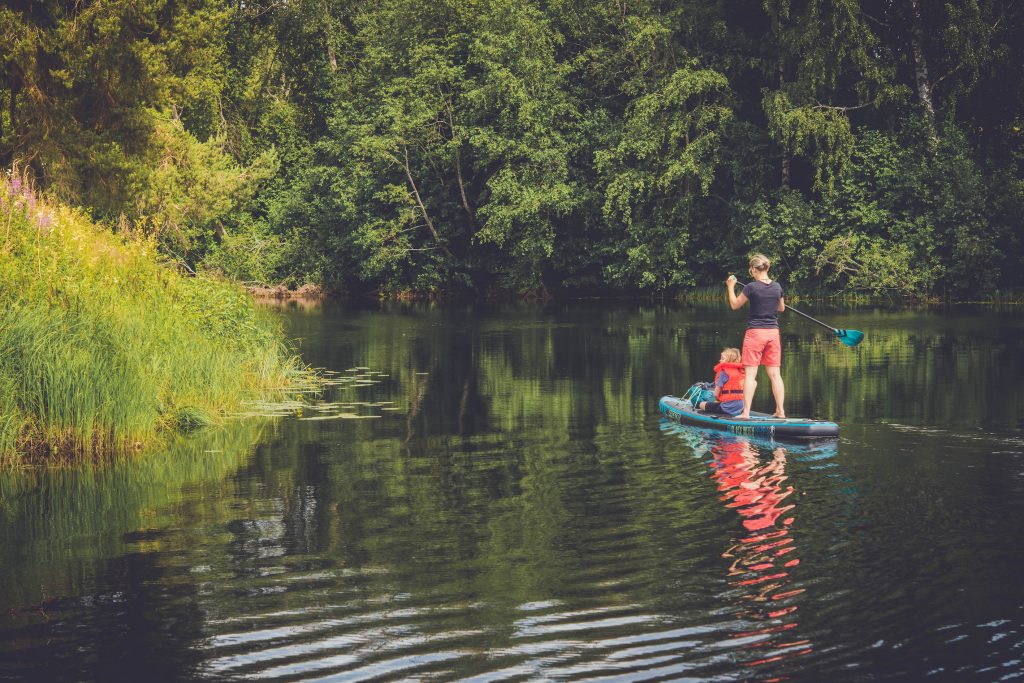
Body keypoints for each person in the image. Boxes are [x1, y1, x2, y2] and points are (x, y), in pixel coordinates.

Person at [726, 254, 786, 418]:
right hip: (773, 333)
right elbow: (781, 308)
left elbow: (734, 305)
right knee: (775, 375)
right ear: (766, 268)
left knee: (751, 375)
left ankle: (745, 413)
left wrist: (730, 286)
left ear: (753, 269)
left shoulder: (750, 287)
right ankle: (780, 411)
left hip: (756, 333)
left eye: (750, 269)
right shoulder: (777, 287)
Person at [698, 347, 746, 416]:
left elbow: (716, 394)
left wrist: (718, 400)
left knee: (701, 404)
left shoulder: (724, 373)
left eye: (723, 359)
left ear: (729, 360)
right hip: (741, 407)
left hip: (726, 408)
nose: (720, 360)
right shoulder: (742, 373)